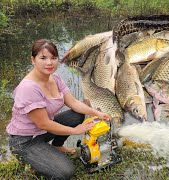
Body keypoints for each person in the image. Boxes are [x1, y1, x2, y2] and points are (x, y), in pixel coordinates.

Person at [6, 39, 111, 179]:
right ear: (33, 60)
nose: (49, 63)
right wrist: (75, 131)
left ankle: (56, 146)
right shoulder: (28, 88)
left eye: (53, 58)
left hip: (41, 132)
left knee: (76, 115)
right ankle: (35, 155)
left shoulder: (54, 78)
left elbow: (73, 102)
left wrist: (97, 113)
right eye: (43, 58)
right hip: (25, 141)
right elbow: (44, 123)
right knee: (65, 172)